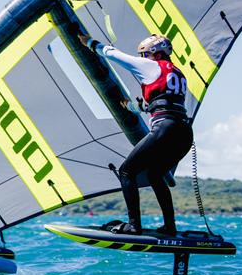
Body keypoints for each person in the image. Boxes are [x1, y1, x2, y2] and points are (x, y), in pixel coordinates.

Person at [79, 33, 193, 236]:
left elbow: (113, 54)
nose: (142, 58)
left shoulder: (151, 66)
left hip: (165, 129)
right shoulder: (177, 73)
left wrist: (89, 42)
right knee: (155, 174)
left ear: (155, 53)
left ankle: (133, 225)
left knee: (126, 172)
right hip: (183, 132)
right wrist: (134, 107)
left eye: (144, 54)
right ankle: (170, 227)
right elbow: (163, 102)